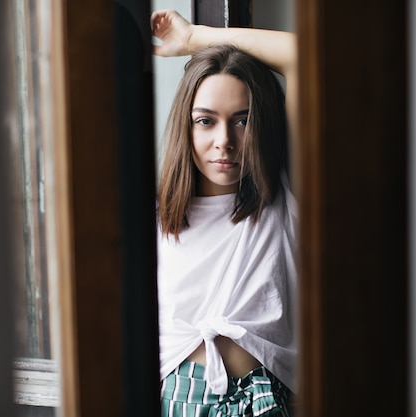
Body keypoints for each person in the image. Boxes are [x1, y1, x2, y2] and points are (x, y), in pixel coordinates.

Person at [151, 9, 298, 417]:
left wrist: (196, 37)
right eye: (205, 121)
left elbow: (302, 56)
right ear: (186, 126)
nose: (224, 141)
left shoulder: (282, 200)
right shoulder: (157, 221)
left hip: (262, 401)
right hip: (175, 402)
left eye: (242, 121)